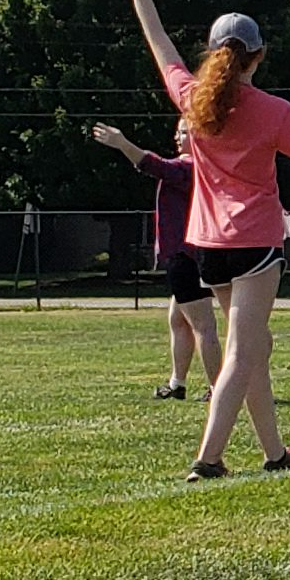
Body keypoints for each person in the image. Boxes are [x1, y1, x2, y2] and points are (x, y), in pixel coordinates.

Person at [125, 0, 290, 478]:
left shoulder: (189, 98)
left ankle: (276, 453)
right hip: (254, 243)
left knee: (255, 347)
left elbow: (156, 36)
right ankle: (208, 459)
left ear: (212, 55)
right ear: (258, 56)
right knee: (242, 353)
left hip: (207, 246)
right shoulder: (275, 110)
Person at [90, 118, 217, 399]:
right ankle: (177, 385)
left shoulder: (191, 168)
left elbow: (154, 165)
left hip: (187, 256)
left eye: (184, 132)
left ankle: (218, 388)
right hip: (188, 255)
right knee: (178, 319)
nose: (177, 136)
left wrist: (122, 144)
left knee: (203, 326)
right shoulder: (196, 168)